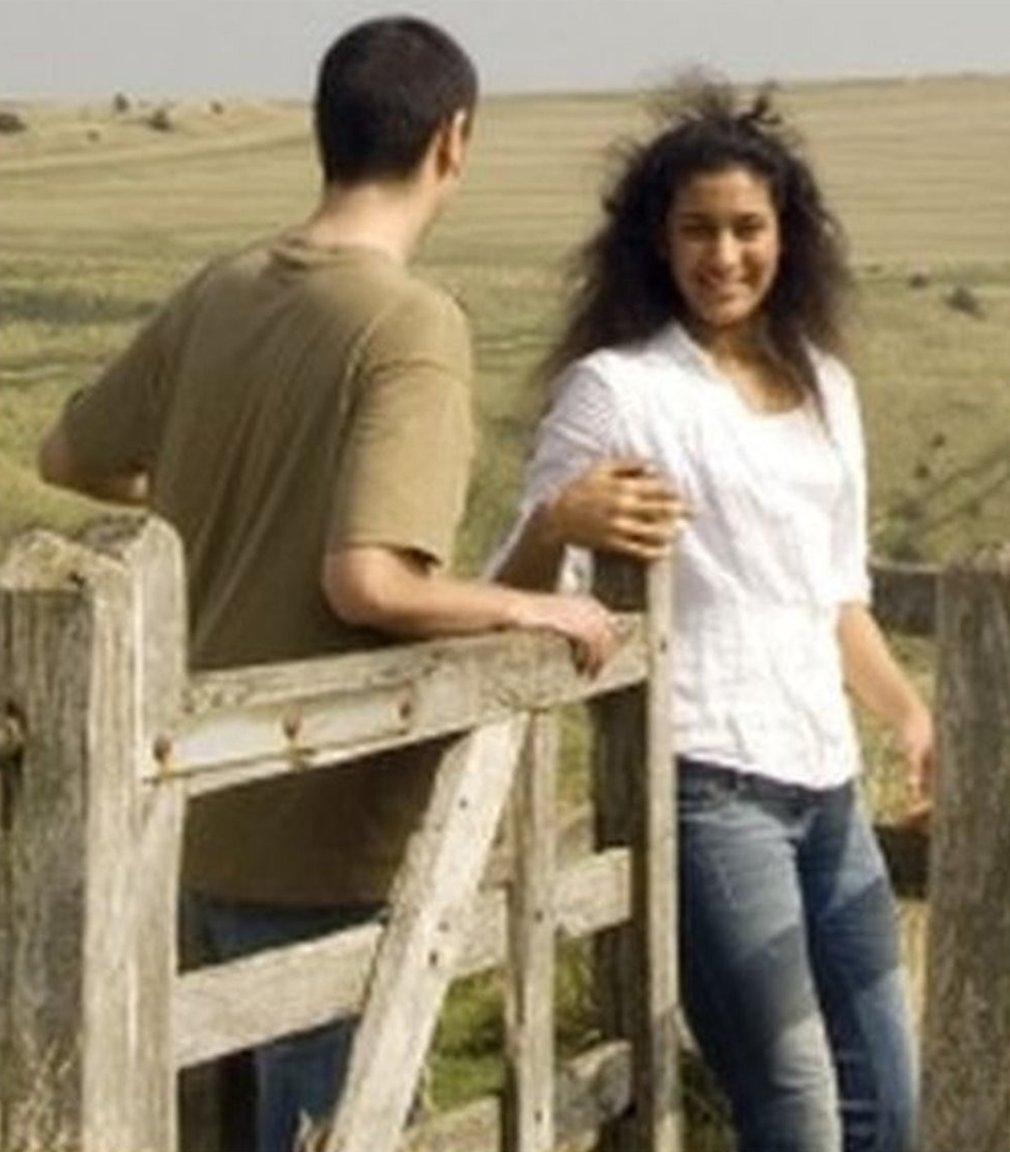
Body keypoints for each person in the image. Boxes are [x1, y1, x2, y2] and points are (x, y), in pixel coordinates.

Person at [36, 16, 616, 1152]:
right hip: (319, 827)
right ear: (454, 141)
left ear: (324, 131)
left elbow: (68, 458)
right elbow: (371, 582)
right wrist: (534, 602)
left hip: (190, 816)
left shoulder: (223, 287)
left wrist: (201, 486)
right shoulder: (409, 323)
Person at [492, 80, 927, 1152]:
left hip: (827, 783)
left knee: (888, 1098)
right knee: (797, 1109)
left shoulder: (824, 385)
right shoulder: (616, 390)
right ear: (656, 240)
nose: (723, 256)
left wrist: (908, 716)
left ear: (788, 235)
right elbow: (510, 584)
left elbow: (835, 592)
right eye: (697, 229)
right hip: (706, 783)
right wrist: (562, 520)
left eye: (747, 228)